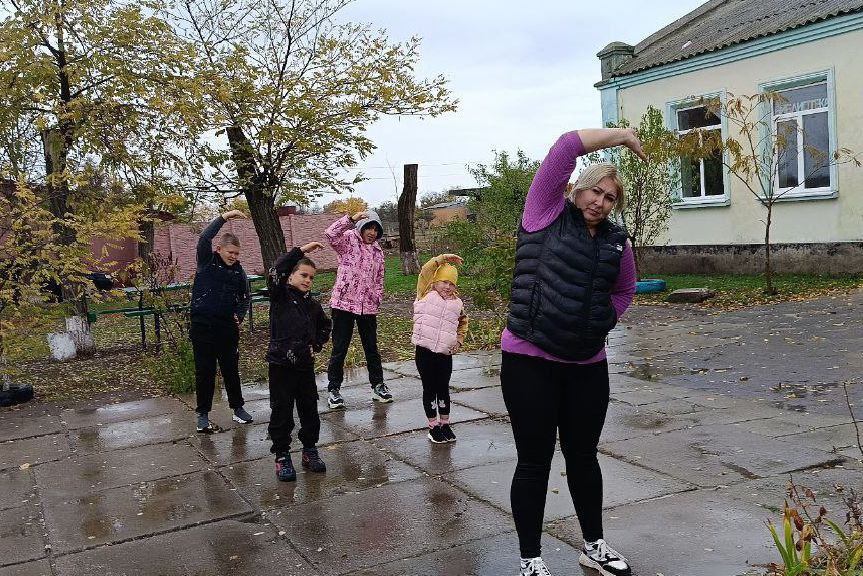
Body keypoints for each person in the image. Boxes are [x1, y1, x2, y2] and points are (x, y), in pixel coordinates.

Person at [500, 128, 646, 576]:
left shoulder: (617, 241)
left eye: (609, 197)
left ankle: (594, 545)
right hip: (529, 360)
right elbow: (566, 145)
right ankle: (531, 558)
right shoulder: (544, 212)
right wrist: (622, 136)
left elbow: (625, 290)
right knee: (534, 461)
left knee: (584, 457)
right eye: (594, 191)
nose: (599, 202)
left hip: (586, 366)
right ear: (577, 189)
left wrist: (603, 320)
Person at [266, 242, 332, 482]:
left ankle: (309, 449)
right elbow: (276, 270)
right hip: (281, 365)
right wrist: (300, 251)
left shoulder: (312, 305)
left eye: (311, 277)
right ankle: (282, 455)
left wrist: (316, 344)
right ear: (291, 276)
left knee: (309, 409)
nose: (307, 280)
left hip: (304, 367)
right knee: (282, 411)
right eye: (303, 275)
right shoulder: (280, 296)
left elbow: (325, 326)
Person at [189, 209, 253, 433]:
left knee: (230, 370)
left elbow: (245, 297)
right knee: (204, 371)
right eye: (230, 252)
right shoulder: (206, 262)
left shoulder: (238, 272)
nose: (233, 256)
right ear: (219, 249)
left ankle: (238, 408)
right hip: (202, 326)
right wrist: (224, 218)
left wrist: (239, 316)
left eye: (237, 253)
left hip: (226, 327)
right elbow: (204, 238)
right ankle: (203, 415)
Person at [324, 209, 390, 408]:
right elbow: (330, 234)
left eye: (375, 229)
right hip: (343, 304)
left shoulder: (378, 252)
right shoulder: (348, 241)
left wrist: (377, 298)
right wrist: (351, 219)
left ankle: (378, 385)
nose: (372, 233)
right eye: (369, 228)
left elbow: (379, 278)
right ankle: (334, 389)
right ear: (361, 227)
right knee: (340, 347)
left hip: (367, 307)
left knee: (371, 347)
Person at [411, 253, 468, 444]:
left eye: (452, 284)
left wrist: (459, 340)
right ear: (435, 282)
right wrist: (443, 258)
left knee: (443, 388)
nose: (448, 287)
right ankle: (433, 426)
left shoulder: (457, 304)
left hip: (445, 354)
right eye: (444, 282)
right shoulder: (425, 293)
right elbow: (426, 270)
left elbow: (463, 323)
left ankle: (445, 424)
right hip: (425, 353)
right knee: (430, 388)